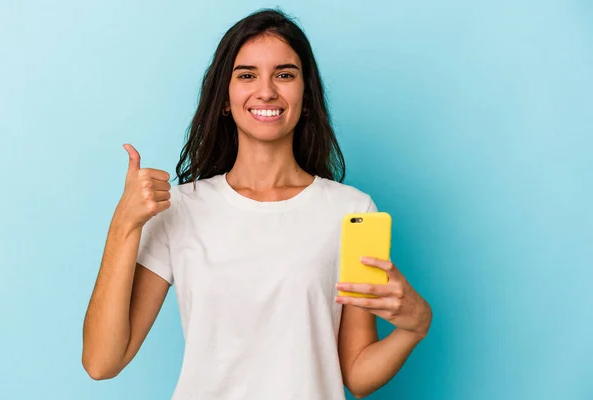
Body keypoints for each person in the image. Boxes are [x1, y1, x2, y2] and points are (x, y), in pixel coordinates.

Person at [82, 8, 432, 400]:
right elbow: (101, 362)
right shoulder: (181, 208)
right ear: (225, 100)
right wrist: (123, 226)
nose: (266, 91)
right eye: (247, 75)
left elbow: (356, 373)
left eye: (284, 74)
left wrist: (415, 326)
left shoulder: (352, 211)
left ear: (306, 95)